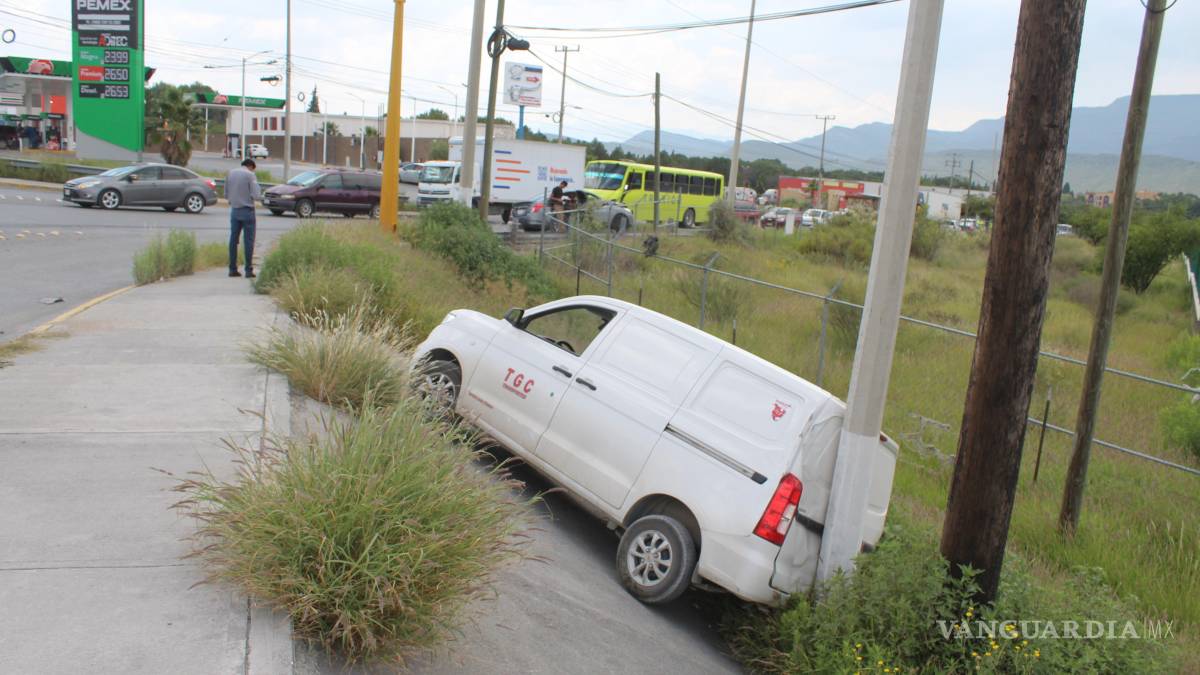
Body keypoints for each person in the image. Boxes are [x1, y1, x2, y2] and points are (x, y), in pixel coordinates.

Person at [225, 159, 261, 278]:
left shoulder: (230, 173)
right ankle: (248, 270)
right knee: (248, 241)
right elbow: (256, 195)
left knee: (233, 240)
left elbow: (226, 194)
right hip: (248, 211)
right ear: (251, 166)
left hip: (235, 210)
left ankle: (232, 268)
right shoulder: (250, 175)